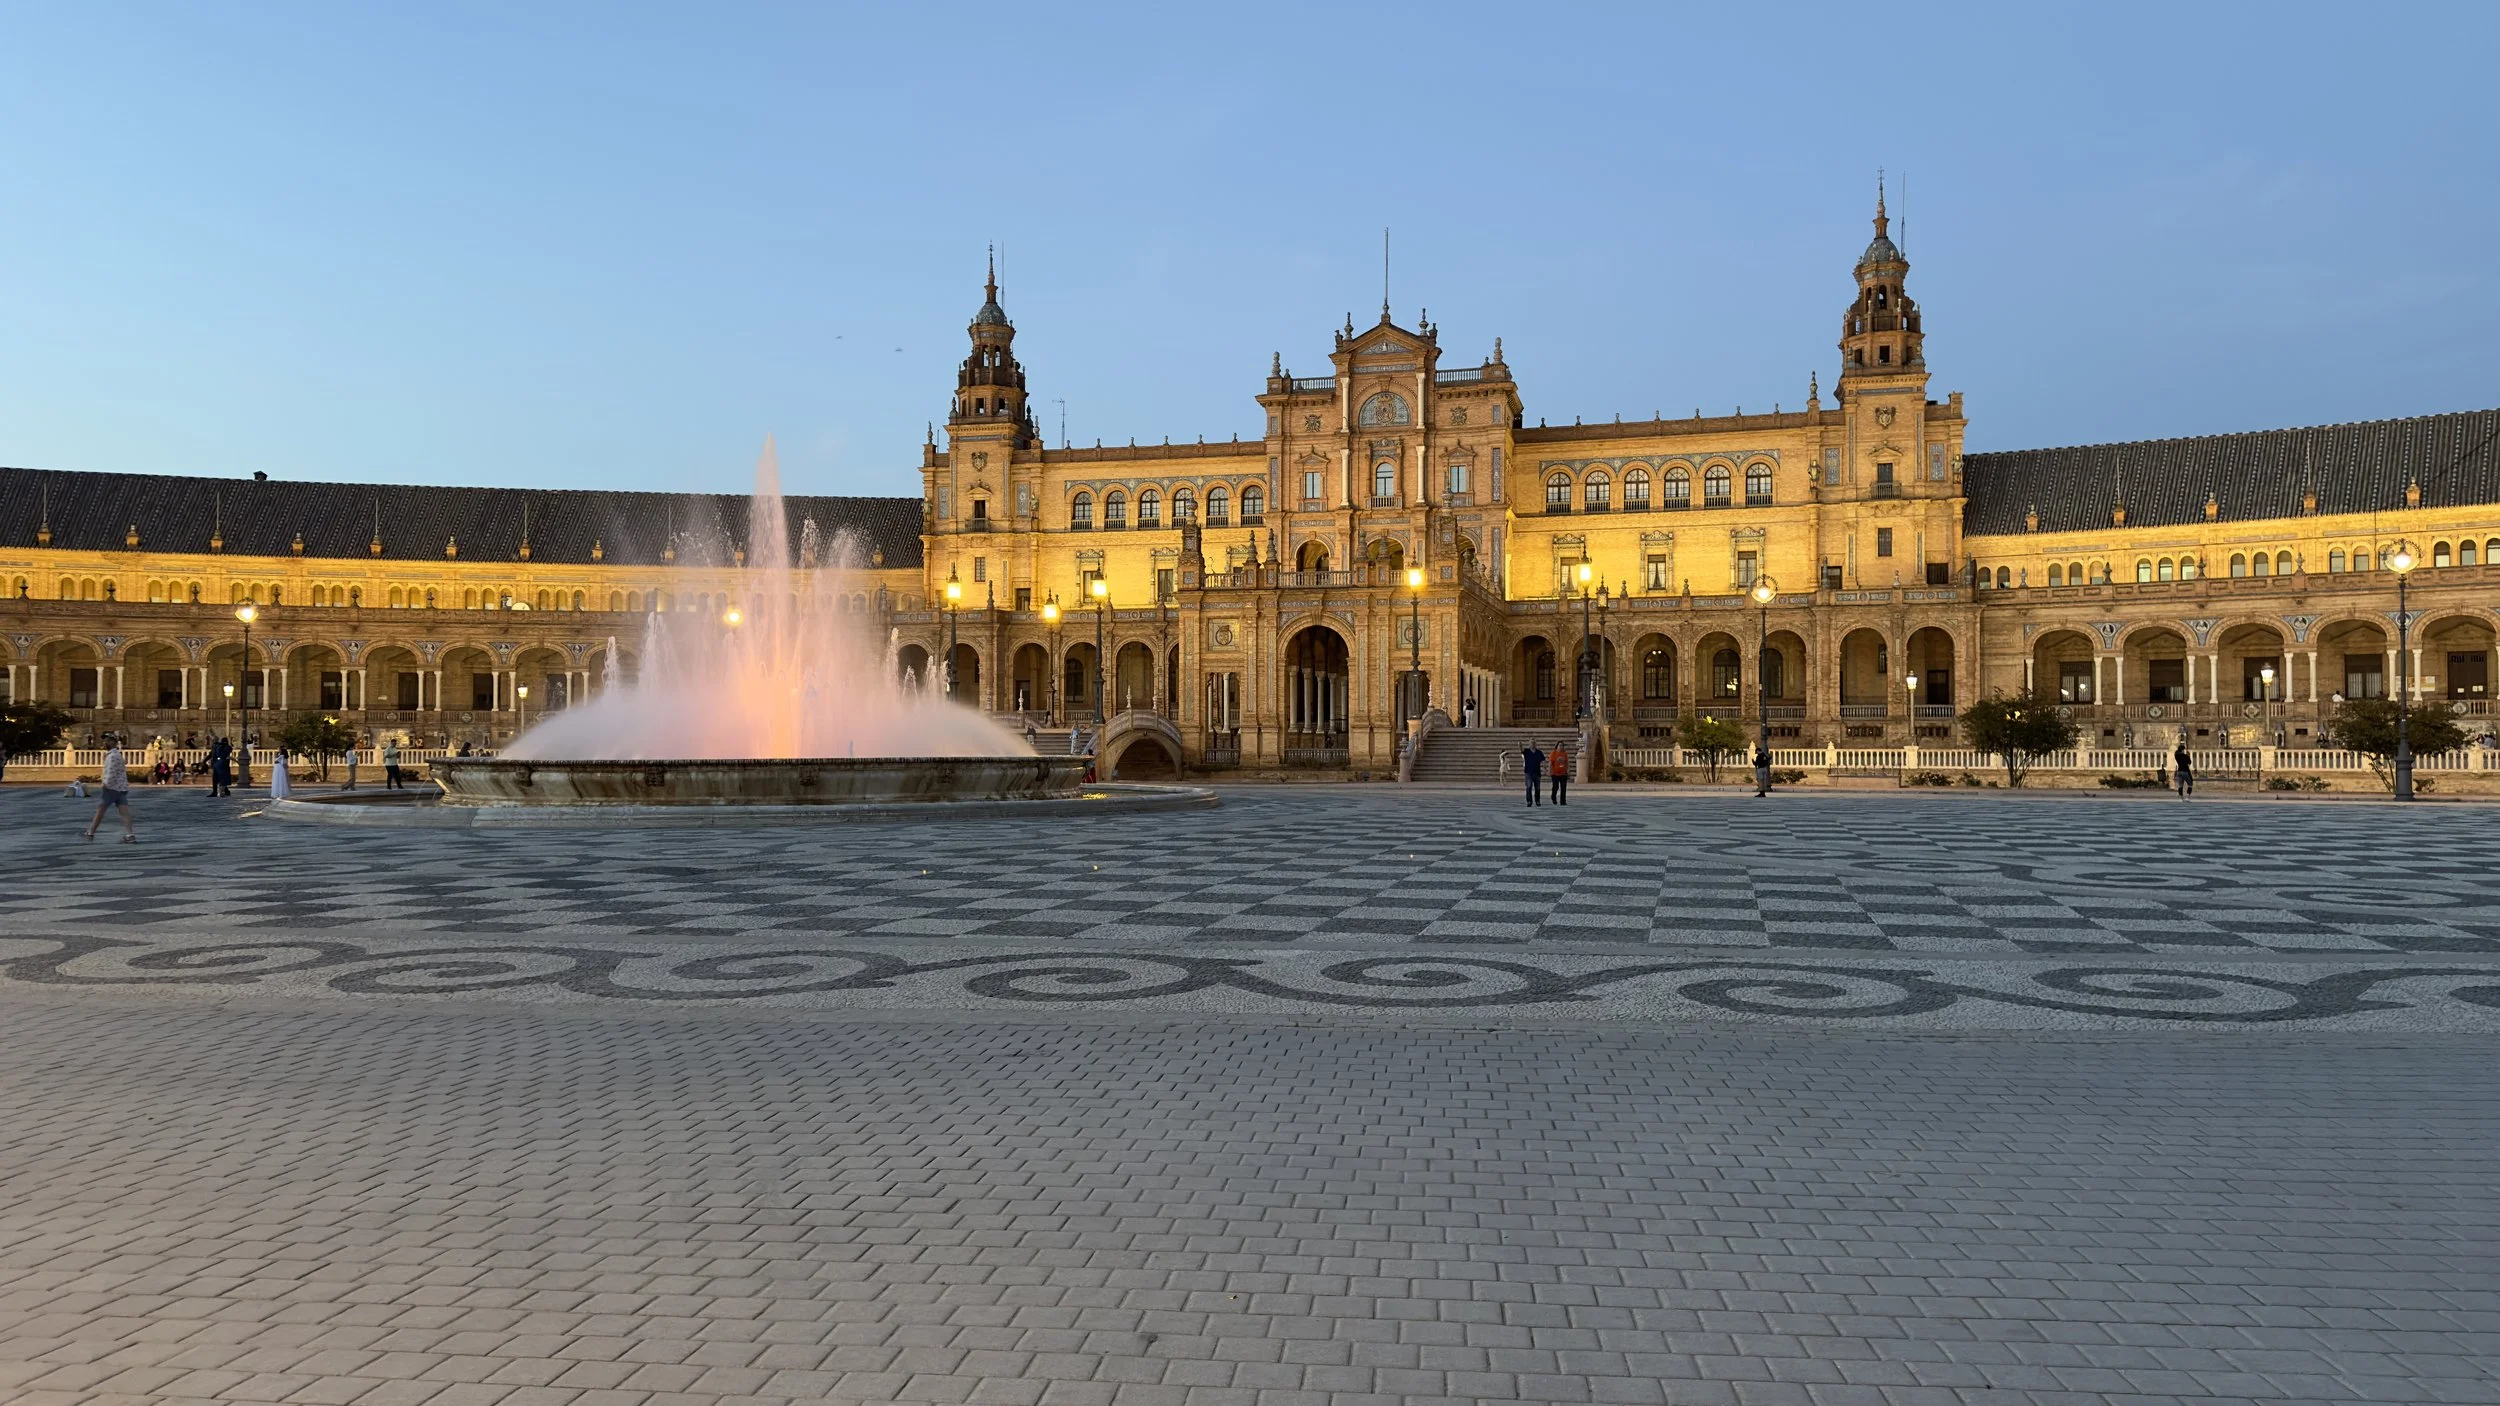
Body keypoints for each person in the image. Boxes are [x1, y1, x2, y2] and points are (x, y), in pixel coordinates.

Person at [83, 741, 137, 843]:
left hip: (111, 788)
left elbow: (111, 772)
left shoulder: (111, 757)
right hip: (121, 787)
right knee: (124, 812)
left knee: (101, 810)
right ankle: (130, 834)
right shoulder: (118, 755)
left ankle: (91, 833)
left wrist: (105, 784)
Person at [1523, 741, 1545, 806]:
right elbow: (1521, 750)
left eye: (1534, 743)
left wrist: (1544, 768)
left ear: (1535, 744)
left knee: (1537, 788)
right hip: (1528, 772)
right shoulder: (1526, 751)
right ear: (1529, 744)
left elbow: (1543, 760)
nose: (1532, 744)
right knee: (1529, 787)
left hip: (1537, 772)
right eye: (1531, 743)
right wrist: (1520, 745)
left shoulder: (1539, 752)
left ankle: (1537, 800)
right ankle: (1529, 801)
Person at [1549, 740, 1571, 805]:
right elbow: (1550, 763)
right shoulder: (1553, 753)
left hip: (1563, 773)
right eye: (1559, 745)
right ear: (1557, 746)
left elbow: (1567, 762)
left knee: (1563, 787)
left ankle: (1563, 801)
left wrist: (1568, 770)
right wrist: (1549, 771)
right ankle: (1553, 796)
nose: (1561, 747)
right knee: (1555, 786)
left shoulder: (1565, 754)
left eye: (1562, 746)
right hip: (1555, 774)